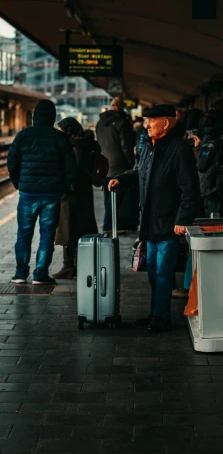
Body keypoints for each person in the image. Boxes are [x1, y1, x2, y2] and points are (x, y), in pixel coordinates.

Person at [109, 104, 200, 333]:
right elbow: (140, 173)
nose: (147, 124)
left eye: (151, 120)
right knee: (151, 269)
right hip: (149, 222)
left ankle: (161, 316)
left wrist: (183, 219)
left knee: (163, 271)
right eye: (147, 120)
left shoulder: (180, 149)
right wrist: (121, 180)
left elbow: (190, 188)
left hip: (169, 222)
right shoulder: (149, 147)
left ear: (166, 123)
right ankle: (155, 313)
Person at [7, 99, 77, 285]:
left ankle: (20, 274)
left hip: (28, 193)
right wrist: (62, 186)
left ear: (34, 117)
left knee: (24, 234)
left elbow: (12, 162)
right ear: (52, 118)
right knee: (47, 234)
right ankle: (40, 274)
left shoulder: (23, 135)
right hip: (51, 195)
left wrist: (19, 184)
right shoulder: (59, 138)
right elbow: (70, 167)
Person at [53, 118, 100, 279]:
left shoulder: (76, 147)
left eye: (60, 131)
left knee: (68, 229)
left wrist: (66, 184)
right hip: (82, 191)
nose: (58, 134)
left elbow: (75, 169)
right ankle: (77, 265)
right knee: (78, 228)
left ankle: (69, 266)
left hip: (72, 193)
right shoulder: (85, 144)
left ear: (68, 131)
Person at [96, 97, 136, 232]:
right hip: (119, 165)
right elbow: (126, 146)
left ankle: (110, 225)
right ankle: (109, 226)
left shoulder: (100, 123)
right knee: (117, 198)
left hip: (104, 164)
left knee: (108, 196)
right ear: (122, 107)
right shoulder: (122, 122)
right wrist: (131, 162)